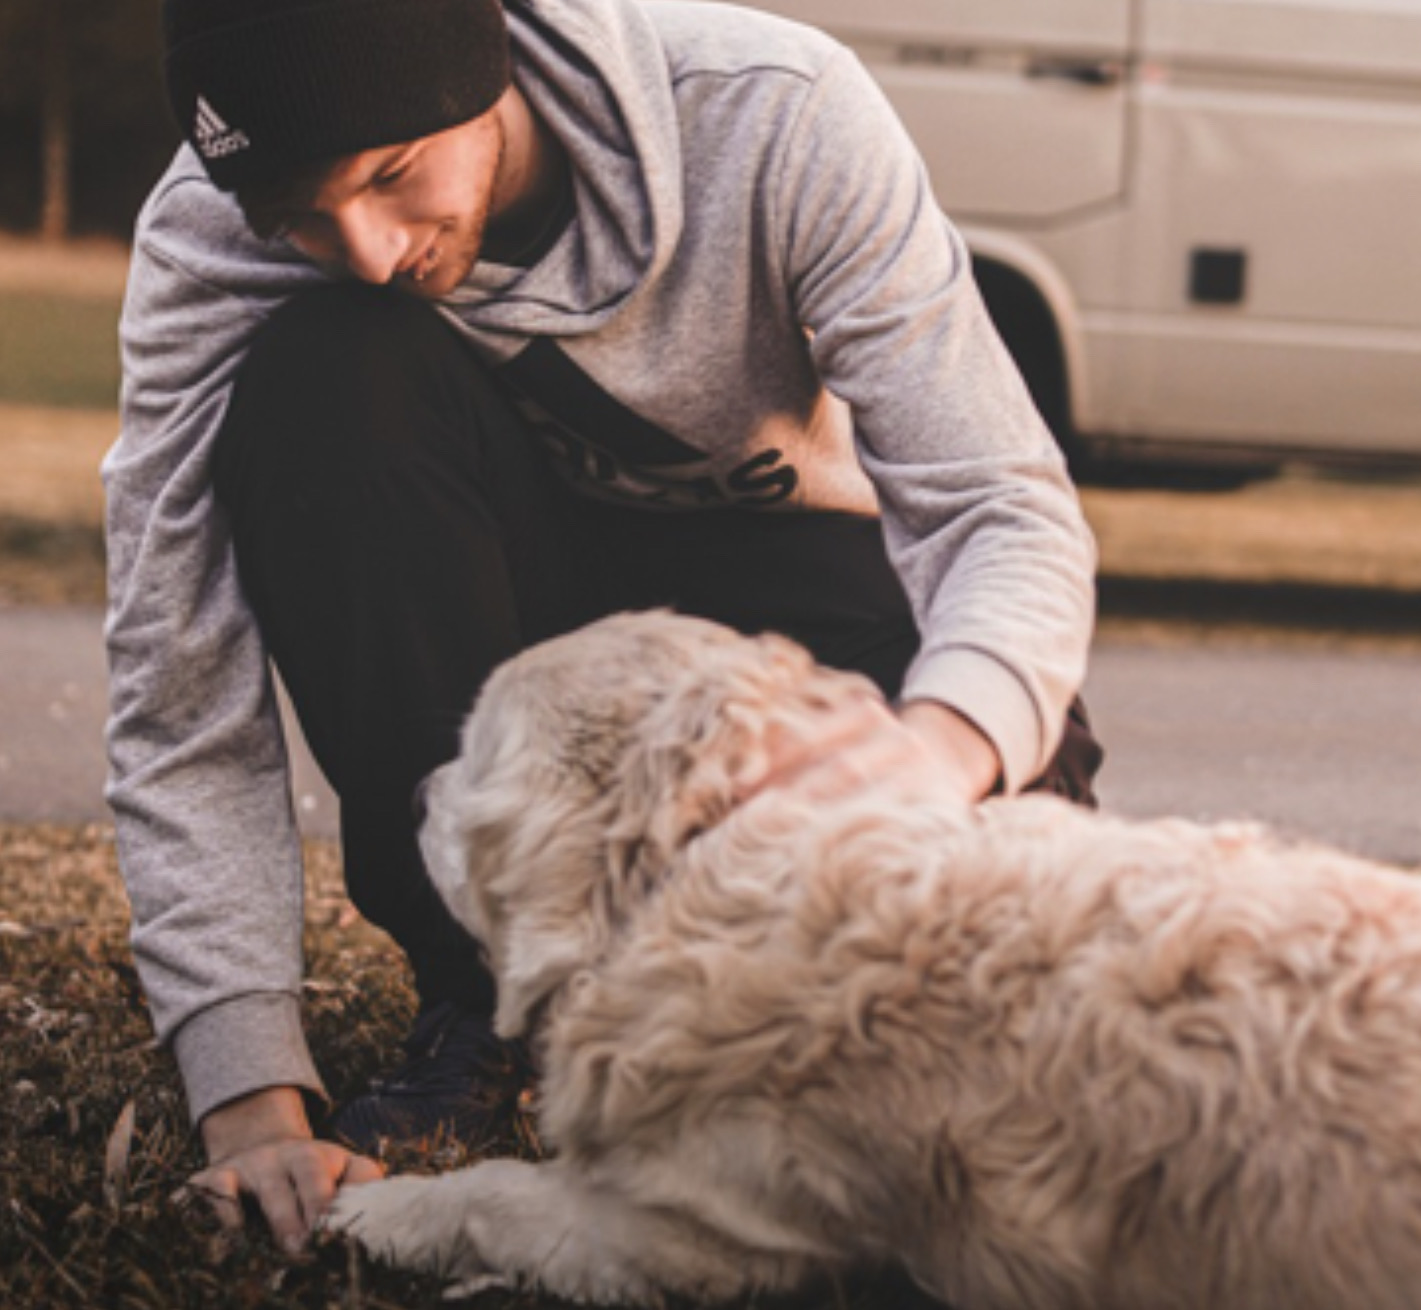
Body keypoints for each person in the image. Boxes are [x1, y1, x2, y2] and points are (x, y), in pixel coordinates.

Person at [106, 0, 1102, 1256]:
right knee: (325, 369)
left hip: (810, 588)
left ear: (482, 66)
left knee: (1003, 955)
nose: (360, 247)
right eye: (299, 216)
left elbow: (994, 504)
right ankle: (497, 987)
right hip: (519, 595)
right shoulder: (210, 239)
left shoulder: (772, 110)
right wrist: (247, 1096)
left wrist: (936, 749)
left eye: (392, 175)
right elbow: (176, 664)